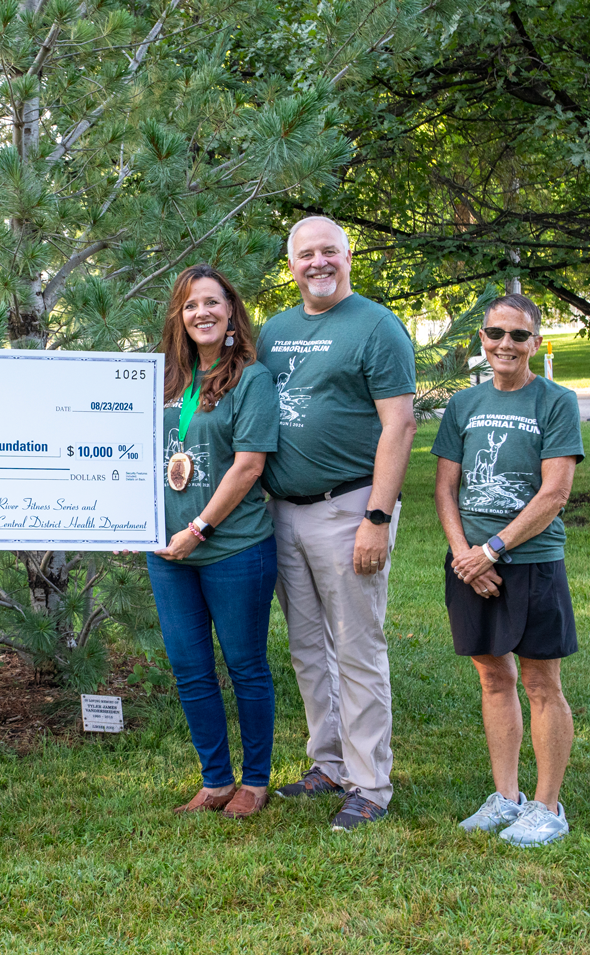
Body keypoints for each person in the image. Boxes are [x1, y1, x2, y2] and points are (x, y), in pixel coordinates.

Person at [257, 216, 418, 831]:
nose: (317, 263)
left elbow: (399, 426)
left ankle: (371, 783)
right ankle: (328, 763)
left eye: (329, 252)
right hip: (284, 511)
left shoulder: (377, 327)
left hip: (349, 508)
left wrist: (377, 516)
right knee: (306, 648)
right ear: (291, 263)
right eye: (305, 255)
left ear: (347, 256)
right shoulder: (276, 331)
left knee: (356, 647)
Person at [433, 293, 583, 846]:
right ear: (483, 339)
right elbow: (446, 489)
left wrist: (490, 550)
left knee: (542, 683)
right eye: (496, 333)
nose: (506, 345)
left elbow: (555, 493)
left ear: (535, 343)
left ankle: (548, 806)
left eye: (519, 336)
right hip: (470, 565)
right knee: (494, 678)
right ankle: (506, 797)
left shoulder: (556, 401)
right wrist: (462, 556)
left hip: (531, 563)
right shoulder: (463, 405)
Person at [145, 264, 281, 820]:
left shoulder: (252, 380)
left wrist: (198, 528)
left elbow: (248, 467)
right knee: (189, 666)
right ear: (180, 316)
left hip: (234, 548)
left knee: (245, 664)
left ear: (231, 314)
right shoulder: (165, 382)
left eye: (212, 303)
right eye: (190, 304)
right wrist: (128, 525)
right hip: (168, 556)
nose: (201, 312)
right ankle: (215, 780)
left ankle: (255, 781)